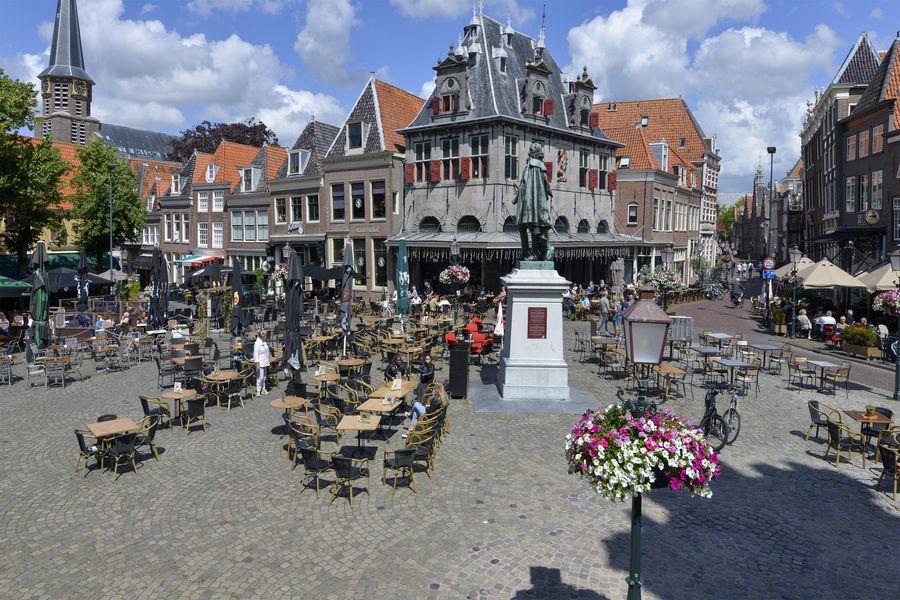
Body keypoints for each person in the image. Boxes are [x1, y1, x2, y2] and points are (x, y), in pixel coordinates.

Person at [253, 329, 271, 396]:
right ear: (262, 336)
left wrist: (268, 359)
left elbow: (267, 351)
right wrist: (257, 363)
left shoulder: (264, 342)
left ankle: (263, 389)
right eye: (265, 335)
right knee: (260, 377)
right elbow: (255, 354)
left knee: (264, 376)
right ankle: (258, 390)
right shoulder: (257, 343)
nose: (266, 336)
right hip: (260, 362)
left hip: (265, 362)